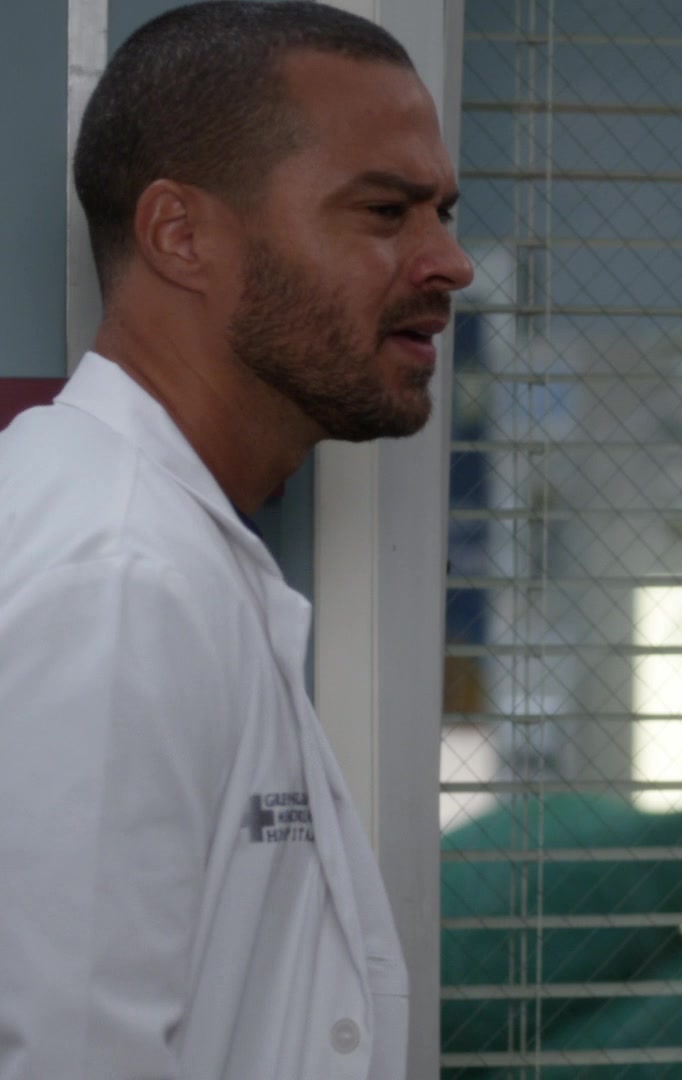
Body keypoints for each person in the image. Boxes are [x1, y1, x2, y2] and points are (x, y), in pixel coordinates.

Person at [0, 2, 471, 1077]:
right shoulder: (116, 581)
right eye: (386, 211)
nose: (451, 263)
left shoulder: (163, 546)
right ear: (181, 235)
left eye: (442, 213)